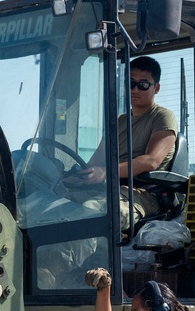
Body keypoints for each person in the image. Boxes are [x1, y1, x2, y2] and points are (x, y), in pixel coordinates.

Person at [68, 56, 179, 231]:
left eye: (143, 84)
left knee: (94, 212)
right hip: (110, 189)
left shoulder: (163, 117)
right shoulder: (118, 122)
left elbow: (151, 160)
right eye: (131, 83)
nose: (135, 89)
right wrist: (66, 179)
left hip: (145, 193)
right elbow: (93, 164)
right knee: (57, 206)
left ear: (156, 88)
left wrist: (106, 173)